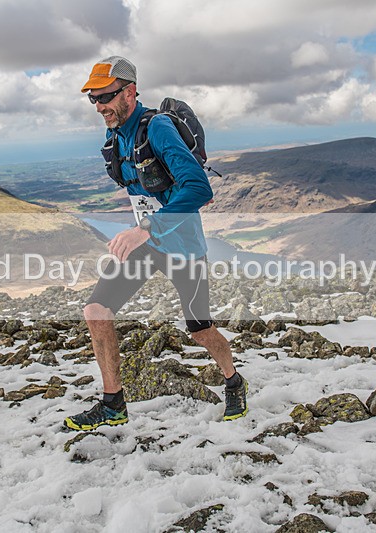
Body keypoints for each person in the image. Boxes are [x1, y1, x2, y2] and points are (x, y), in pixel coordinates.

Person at [64, 56, 247, 431]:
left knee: (199, 329)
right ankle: (113, 405)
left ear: (129, 91)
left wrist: (146, 227)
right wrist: (140, 231)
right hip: (146, 246)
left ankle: (234, 381)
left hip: (182, 248)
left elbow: (199, 188)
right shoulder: (116, 134)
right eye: (93, 100)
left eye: (105, 97)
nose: (99, 107)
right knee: (96, 311)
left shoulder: (158, 127)